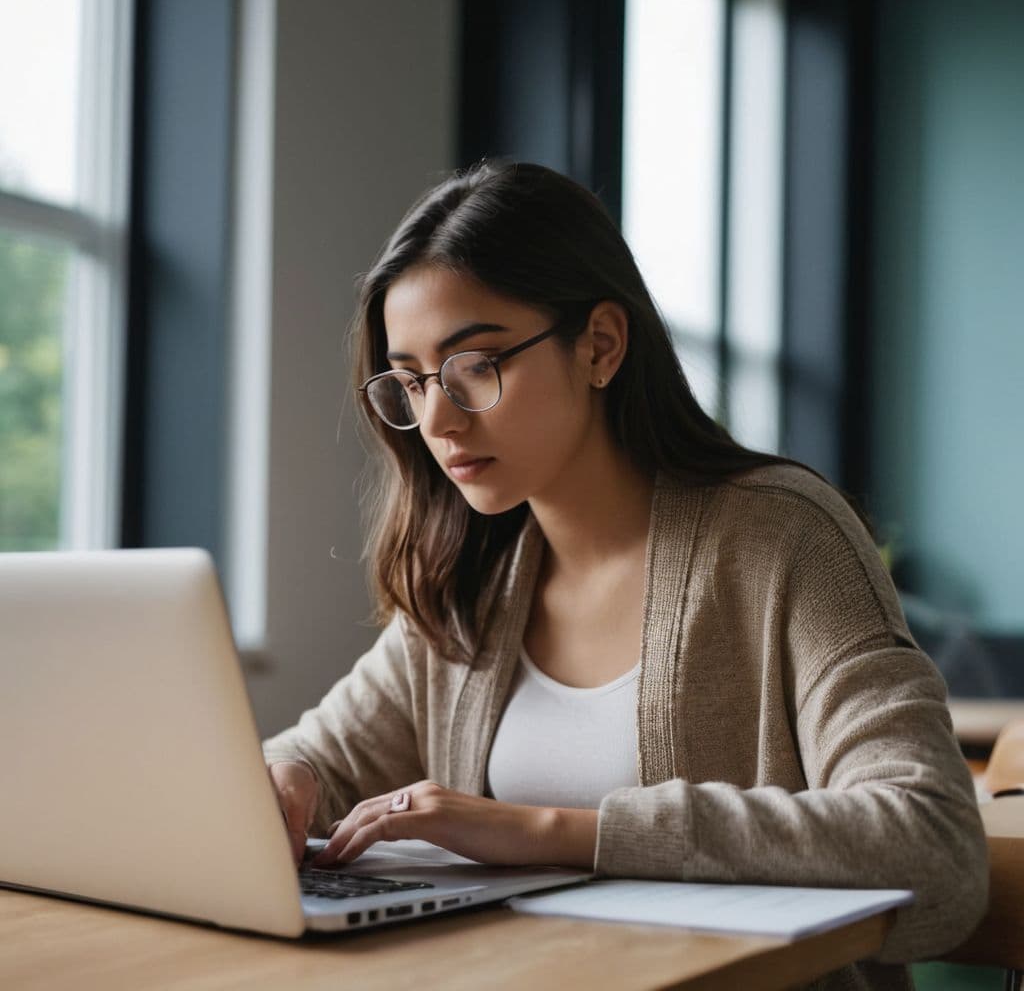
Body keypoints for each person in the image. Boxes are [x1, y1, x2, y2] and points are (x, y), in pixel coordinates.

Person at [262, 161, 987, 990]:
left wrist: (553, 831)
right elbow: (315, 757)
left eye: (477, 364)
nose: (437, 418)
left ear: (600, 344)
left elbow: (933, 845)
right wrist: (285, 783)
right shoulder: (474, 578)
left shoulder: (781, 537)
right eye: (415, 378)